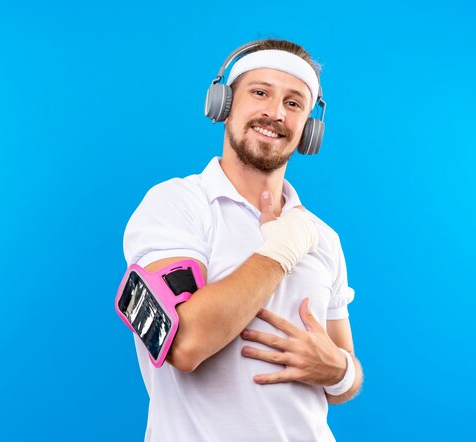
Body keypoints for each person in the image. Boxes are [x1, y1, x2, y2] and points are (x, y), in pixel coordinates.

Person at [122, 39, 363, 442]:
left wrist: (341, 372)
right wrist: (280, 252)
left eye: (293, 103)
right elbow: (184, 344)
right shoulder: (176, 205)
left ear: (309, 129)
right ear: (223, 103)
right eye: (260, 92)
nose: (274, 112)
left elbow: (341, 370)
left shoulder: (322, 238)